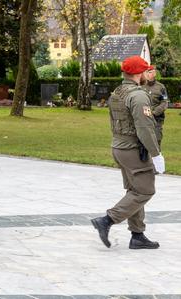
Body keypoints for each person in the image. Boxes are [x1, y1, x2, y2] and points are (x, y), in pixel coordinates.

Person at [91, 56, 164, 250]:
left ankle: (138, 235)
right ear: (139, 73)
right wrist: (156, 154)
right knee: (145, 190)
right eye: (145, 71)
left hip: (119, 147)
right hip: (133, 150)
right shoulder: (139, 96)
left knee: (134, 191)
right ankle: (107, 220)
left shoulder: (118, 92)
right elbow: (144, 128)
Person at [141, 66, 168, 148]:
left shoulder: (161, 87)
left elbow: (165, 102)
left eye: (150, 72)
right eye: (146, 72)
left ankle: (156, 160)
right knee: (142, 142)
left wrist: (155, 112)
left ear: (154, 73)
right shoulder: (140, 86)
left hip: (157, 120)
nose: (148, 74)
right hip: (143, 119)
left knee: (156, 140)